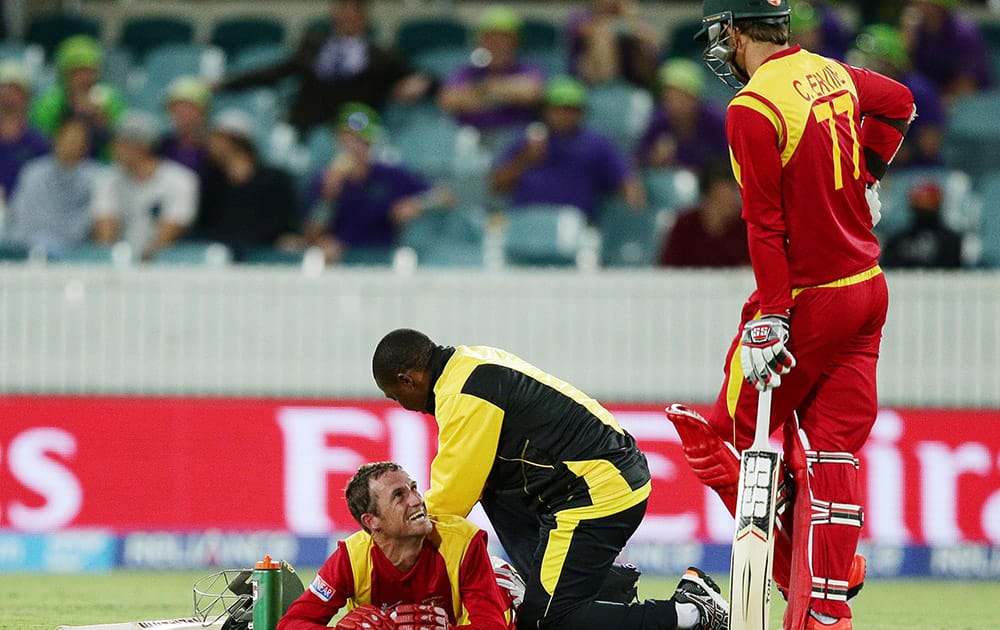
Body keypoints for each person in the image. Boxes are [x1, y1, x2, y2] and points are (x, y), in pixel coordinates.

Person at [668, 2, 914, 629]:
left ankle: (783, 564)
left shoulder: (752, 108)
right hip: (867, 288)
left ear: (734, 31)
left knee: (718, 432)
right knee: (832, 458)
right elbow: (901, 102)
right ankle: (825, 607)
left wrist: (773, 313)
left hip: (808, 298)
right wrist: (867, 174)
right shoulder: (830, 71)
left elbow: (764, 223)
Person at [372, 328, 730, 630]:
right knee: (496, 493)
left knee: (549, 620)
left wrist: (383, 537)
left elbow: (452, 499)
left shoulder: (463, 393)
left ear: (408, 379)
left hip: (594, 492)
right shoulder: (468, 366)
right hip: (589, 483)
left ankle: (695, 611)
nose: (402, 404)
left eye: (396, 395)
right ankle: (609, 591)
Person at [278, 461, 516, 630]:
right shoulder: (351, 558)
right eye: (399, 496)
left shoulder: (463, 543)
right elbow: (291, 624)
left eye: (413, 488)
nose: (417, 500)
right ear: (372, 521)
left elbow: (491, 625)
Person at [216, 0, 432, 134]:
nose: (345, 16)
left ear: (364, 17)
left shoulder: (381, 56)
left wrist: (419, 82)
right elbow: (274, 72)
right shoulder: (313, 46)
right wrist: (226, 83)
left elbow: (425, 75)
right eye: (341, 8)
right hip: (306, 127)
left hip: (355, 130)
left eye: (352, 10)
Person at [303, 103, 452, 263]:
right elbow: (310, 236)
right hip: (340, 259)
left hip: (382, 257)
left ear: (370, 144)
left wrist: (418, 204)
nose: (352, 147)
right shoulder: (324, 179)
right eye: (346, 140)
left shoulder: (389, 175)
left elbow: (445, 196)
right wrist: (328, 197)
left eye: (360, 140)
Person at [490, 75, 645, 223]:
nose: (564, 115)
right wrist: (526, 158)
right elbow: (496, 184)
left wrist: (635, 211)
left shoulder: (596, 143)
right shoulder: (528, 137)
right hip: (525, 222)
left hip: (575, 227)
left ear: (582, 112)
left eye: (571, 109)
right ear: (545, 110)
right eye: (558, 108)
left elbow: (625, 181)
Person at [194, 109, 300, 261]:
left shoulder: (276, 180)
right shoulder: (211, 183)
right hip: (220, 257)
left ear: (235, 142)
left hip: (264, 258)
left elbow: (283, 227)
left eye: (217, 138)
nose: (210, 144)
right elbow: (204, 227)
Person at [92, 111, 198, 261]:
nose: (115, 149)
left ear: (143, 146)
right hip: (119, 264)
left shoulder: (181, 180)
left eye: (123, 143)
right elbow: (105, 236)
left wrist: (140, 271)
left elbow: (167, 235)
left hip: (164, 265)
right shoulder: (107, 179)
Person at [437, 6, 545, 133]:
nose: (497, 43)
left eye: (504, 38)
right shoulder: (467, 69)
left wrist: (478, 91)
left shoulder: (527, 67)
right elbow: (449, 100)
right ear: (480, 40)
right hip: (471, 135)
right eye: (490, 38)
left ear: (515, 41)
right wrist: (508, 92)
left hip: (514, 135)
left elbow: (532, 94)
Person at [850, 24, 944, 168]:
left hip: (915, 172)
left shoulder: (919, 91)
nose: (866, 68)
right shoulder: (859, 90)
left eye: (873, 61)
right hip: (870, 167)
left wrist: (879, 154)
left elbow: (929, 146)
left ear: (892, 64)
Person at [7, 118, 101, 258]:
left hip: (77, 252)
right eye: (67, 136)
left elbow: (89, 223)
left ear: (86, 145)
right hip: (30, 247)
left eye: (76, 138)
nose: (70, 142)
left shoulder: (97, 177)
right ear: (55, 140)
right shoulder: (33, 172)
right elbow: (21, 217)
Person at [30, 35, 127, 160]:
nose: (84, 78)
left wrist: (101, 121)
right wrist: (69, 112)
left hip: (102, 167)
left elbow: (123, 140)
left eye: (89, 71)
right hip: (59, 165)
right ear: (64, 74)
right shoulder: (49, 101)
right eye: (77, 72)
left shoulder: (111, 98)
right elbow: (41, 140)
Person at [634, 58, 728, 172]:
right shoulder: (659, 122)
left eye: (679, 97)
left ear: (694, 98)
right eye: (668, 97)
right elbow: (639, 159)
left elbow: (729, 160)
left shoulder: (715, 121)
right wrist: (654, 158)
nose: (673, 104)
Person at [657, 163, 748, 267]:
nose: (735, 199)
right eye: (730, 191)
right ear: (713, 192)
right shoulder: (685, 225)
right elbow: (668, 267)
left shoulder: (744, 227)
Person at [901, 0, 993, 100]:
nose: (913, 7)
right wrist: (907, 42)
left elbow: (968, 83)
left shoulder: (964, 33)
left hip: (973, 102)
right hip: (934, 99)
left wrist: (938, 100)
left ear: (937, 6)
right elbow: (908, 74)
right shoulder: (916, 32)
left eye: (919, 3)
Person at [567, 0, 660, 88]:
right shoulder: (580, 15)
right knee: (601, 38)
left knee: (641, 41)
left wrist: (629, 18)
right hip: (586, 75)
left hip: (628, 74)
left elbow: (652, 40)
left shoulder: (624, 17)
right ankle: (608, 87)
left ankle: (641, 86)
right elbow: (586, 32)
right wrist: (608, 17)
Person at [881, 179, 962, 268]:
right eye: (921, 204)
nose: (926, 207)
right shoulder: (897, 240)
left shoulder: (951, 241)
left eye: (930, 203)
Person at [0, 61, 49, 201]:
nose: (8, 96)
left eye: (15, 90)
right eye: (3, 89)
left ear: (28, 97)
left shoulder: (39, 144)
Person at [159, 76, 212, 176]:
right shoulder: (160, 147)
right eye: (178, 108)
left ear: (204, 112)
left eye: (190, 108)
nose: (183, 113)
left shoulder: (214, 151)